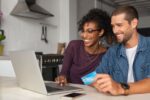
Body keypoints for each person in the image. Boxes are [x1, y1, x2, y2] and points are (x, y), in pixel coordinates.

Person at [93, 5, 150, 96]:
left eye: (119, 25)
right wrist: (95, 82)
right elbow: (93, 77)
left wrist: (120, 87)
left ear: (134, 23)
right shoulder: (112, 51)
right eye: (113, 26)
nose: (115, 31)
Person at [55, 8, 114, 86]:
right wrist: (61, 77)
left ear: (101, 32)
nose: (84, 35)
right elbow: (63, 73)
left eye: (90, 31)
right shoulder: (74, 46)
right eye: (83, 31)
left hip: (93, 95)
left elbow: (104, 80)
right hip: (71, 93)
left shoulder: (108, 54)